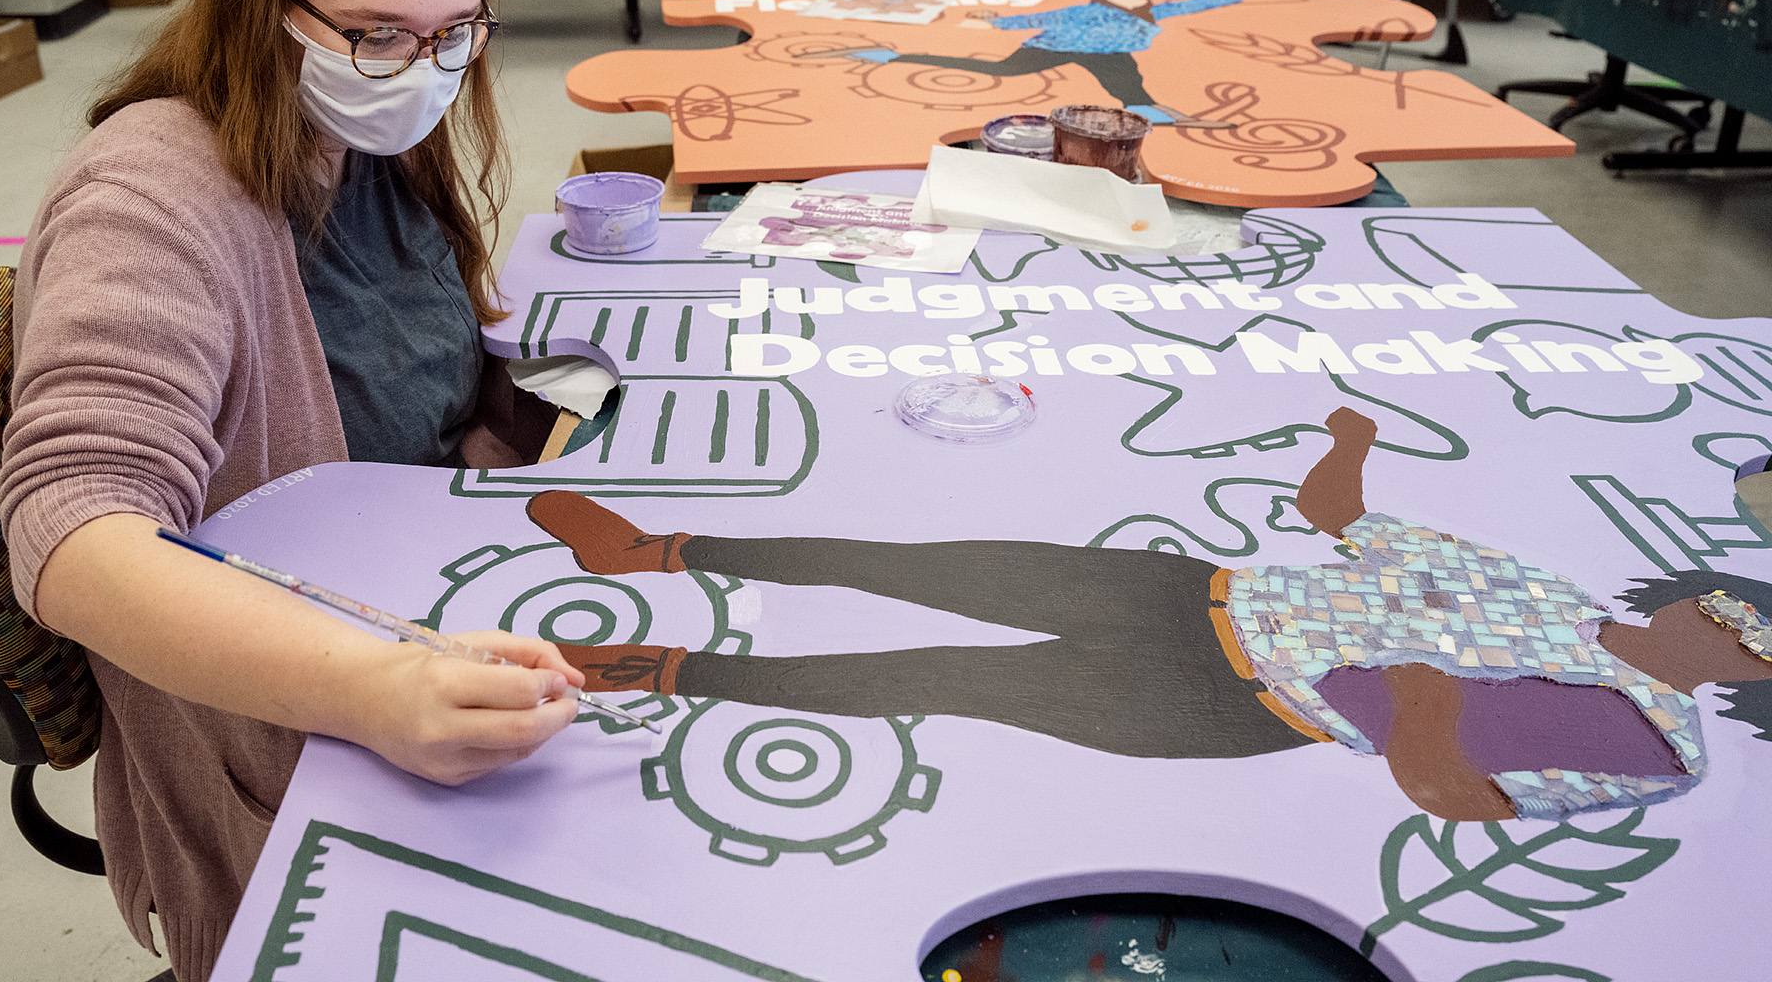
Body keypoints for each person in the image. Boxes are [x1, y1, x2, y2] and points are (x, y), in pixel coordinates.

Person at [0, 0, 584, 982]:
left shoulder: (368, 135)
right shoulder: (150, 198)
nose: (423, 70)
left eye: (457, 32)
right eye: (377, 33)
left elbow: (425, 350)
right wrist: (374, 688)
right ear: (264, 0)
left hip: (423, 585)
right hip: (285, 711)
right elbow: (71, 532)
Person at [525, 407, 1772, 823]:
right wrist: (1349, 441)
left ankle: (662, 669)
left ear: (1750, 675)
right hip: (1194, 592)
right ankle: (658, 549)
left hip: (1224, 701)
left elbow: (1449, 792)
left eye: (1748, 638)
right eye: (1727, 606)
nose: (1721, 627)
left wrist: (1424, 697)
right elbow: (1343, 517)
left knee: (926, 675)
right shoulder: (1550, 592)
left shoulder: (1659, 742)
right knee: (920, 563)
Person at [854, 0, 1244, 112]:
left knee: (1129, 84)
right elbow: (1038, 17)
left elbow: (1186, 5)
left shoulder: (1152, 13)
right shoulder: (1081, 10)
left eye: (1133, 1)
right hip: (1054, 46)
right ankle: (896, 56)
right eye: (1118, 0)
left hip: (1108, 54)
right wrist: (998, 21)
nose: (1127, 3)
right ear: (1103, 0)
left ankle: (1151, 114)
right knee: (1000, 70)